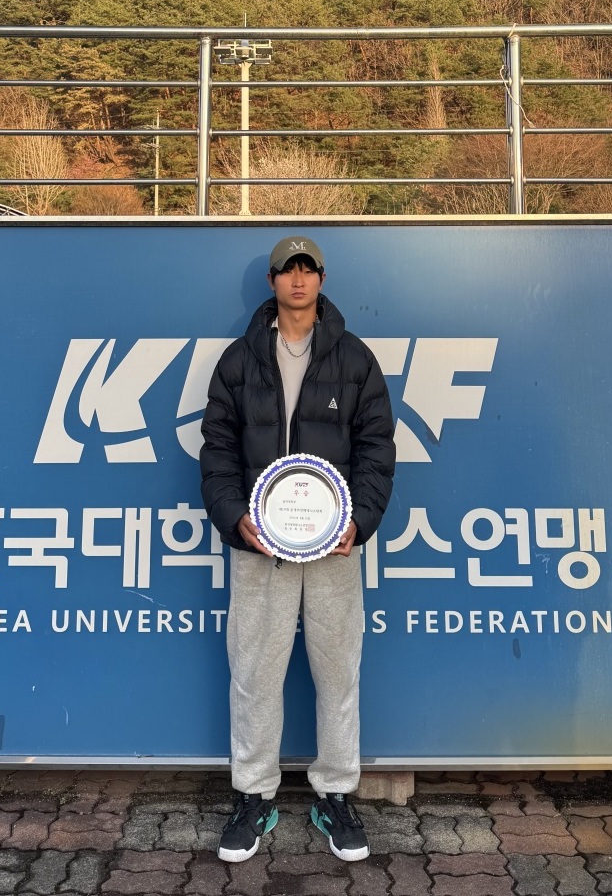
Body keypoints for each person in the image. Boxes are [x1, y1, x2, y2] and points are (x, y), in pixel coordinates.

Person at [200, 234, 396, 864]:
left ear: (322, 279)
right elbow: (217, 451)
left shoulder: (355, 359)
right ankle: (253, 795)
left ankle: (335, 792)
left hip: (334, 549)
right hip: (260, 547)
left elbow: (377, 449)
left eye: (309, 269)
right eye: (289, 269)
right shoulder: (239, 361)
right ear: (273, 281)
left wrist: (359, 521)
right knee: (255, 673)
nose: (299, 279)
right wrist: (236, 517)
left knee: (337, 672)